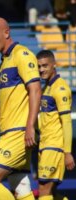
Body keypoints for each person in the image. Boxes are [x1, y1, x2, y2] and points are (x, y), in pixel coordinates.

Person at [0, 17, 42, 200]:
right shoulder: (4, 63)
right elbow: (5, 108)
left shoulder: (22, 54)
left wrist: (30, 126)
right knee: (20, 186)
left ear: (7, 32)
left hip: (18, 133)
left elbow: (35, 90)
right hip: (9, 132)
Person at [36, 50, 75, 200]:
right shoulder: (47, 87)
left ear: (54, 65)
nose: (41, 70)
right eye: (39, 66)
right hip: (45, 145)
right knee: (49, 192)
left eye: (45, 66)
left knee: (43, 190)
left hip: (54, 146)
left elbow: (66, 122)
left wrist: (67, 152)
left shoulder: (60, 89)